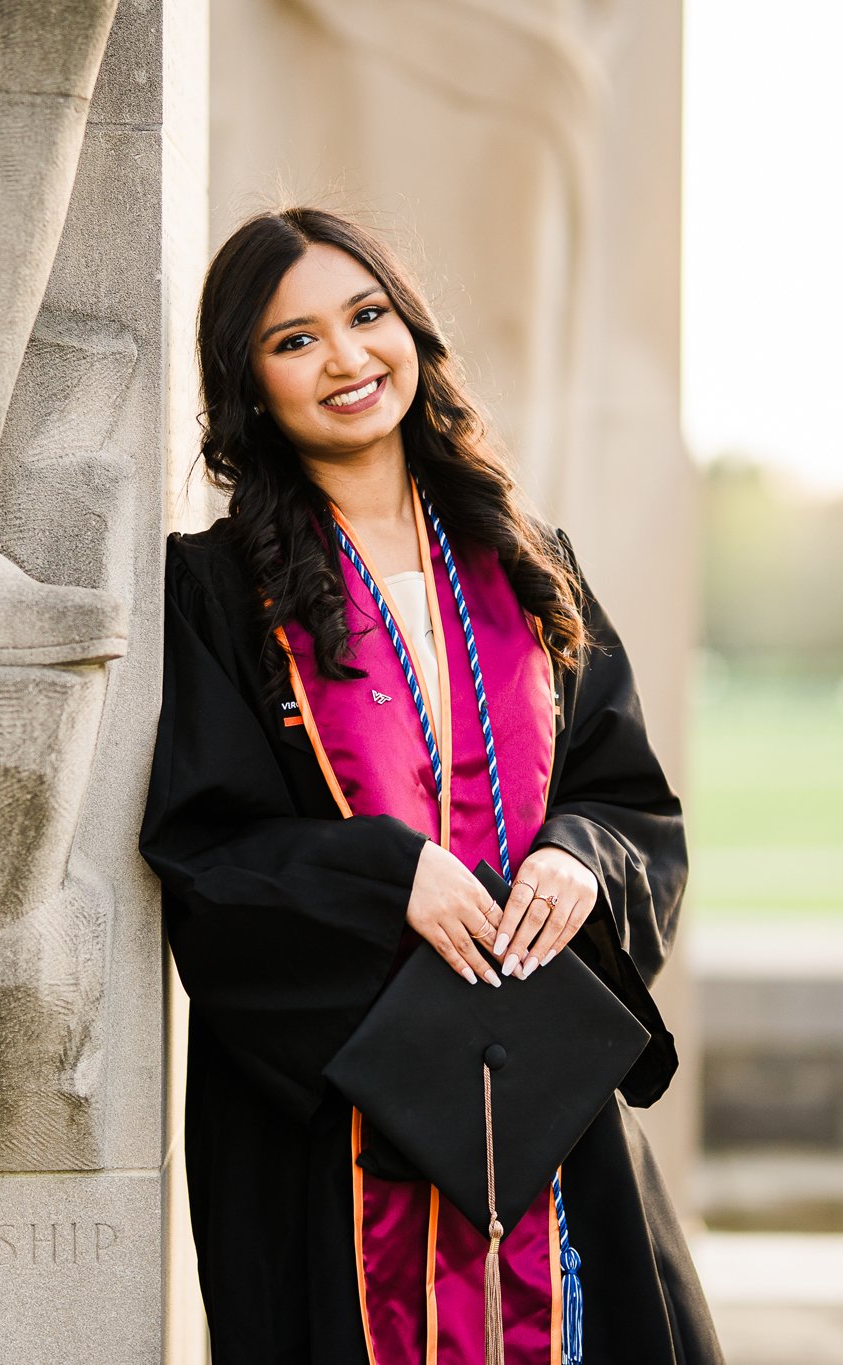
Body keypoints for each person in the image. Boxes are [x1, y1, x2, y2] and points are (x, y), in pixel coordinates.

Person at [140, 208, 720, 1363]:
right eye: (294, 340)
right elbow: (203, 854)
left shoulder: (526, 565)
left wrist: (578, 860)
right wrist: (384, 877)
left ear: (410, 330)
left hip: (540, 1101)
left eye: (366, 316)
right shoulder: (215, 594)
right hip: (338, 1129)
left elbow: (628, 803)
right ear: (247, 383)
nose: (346, 358)